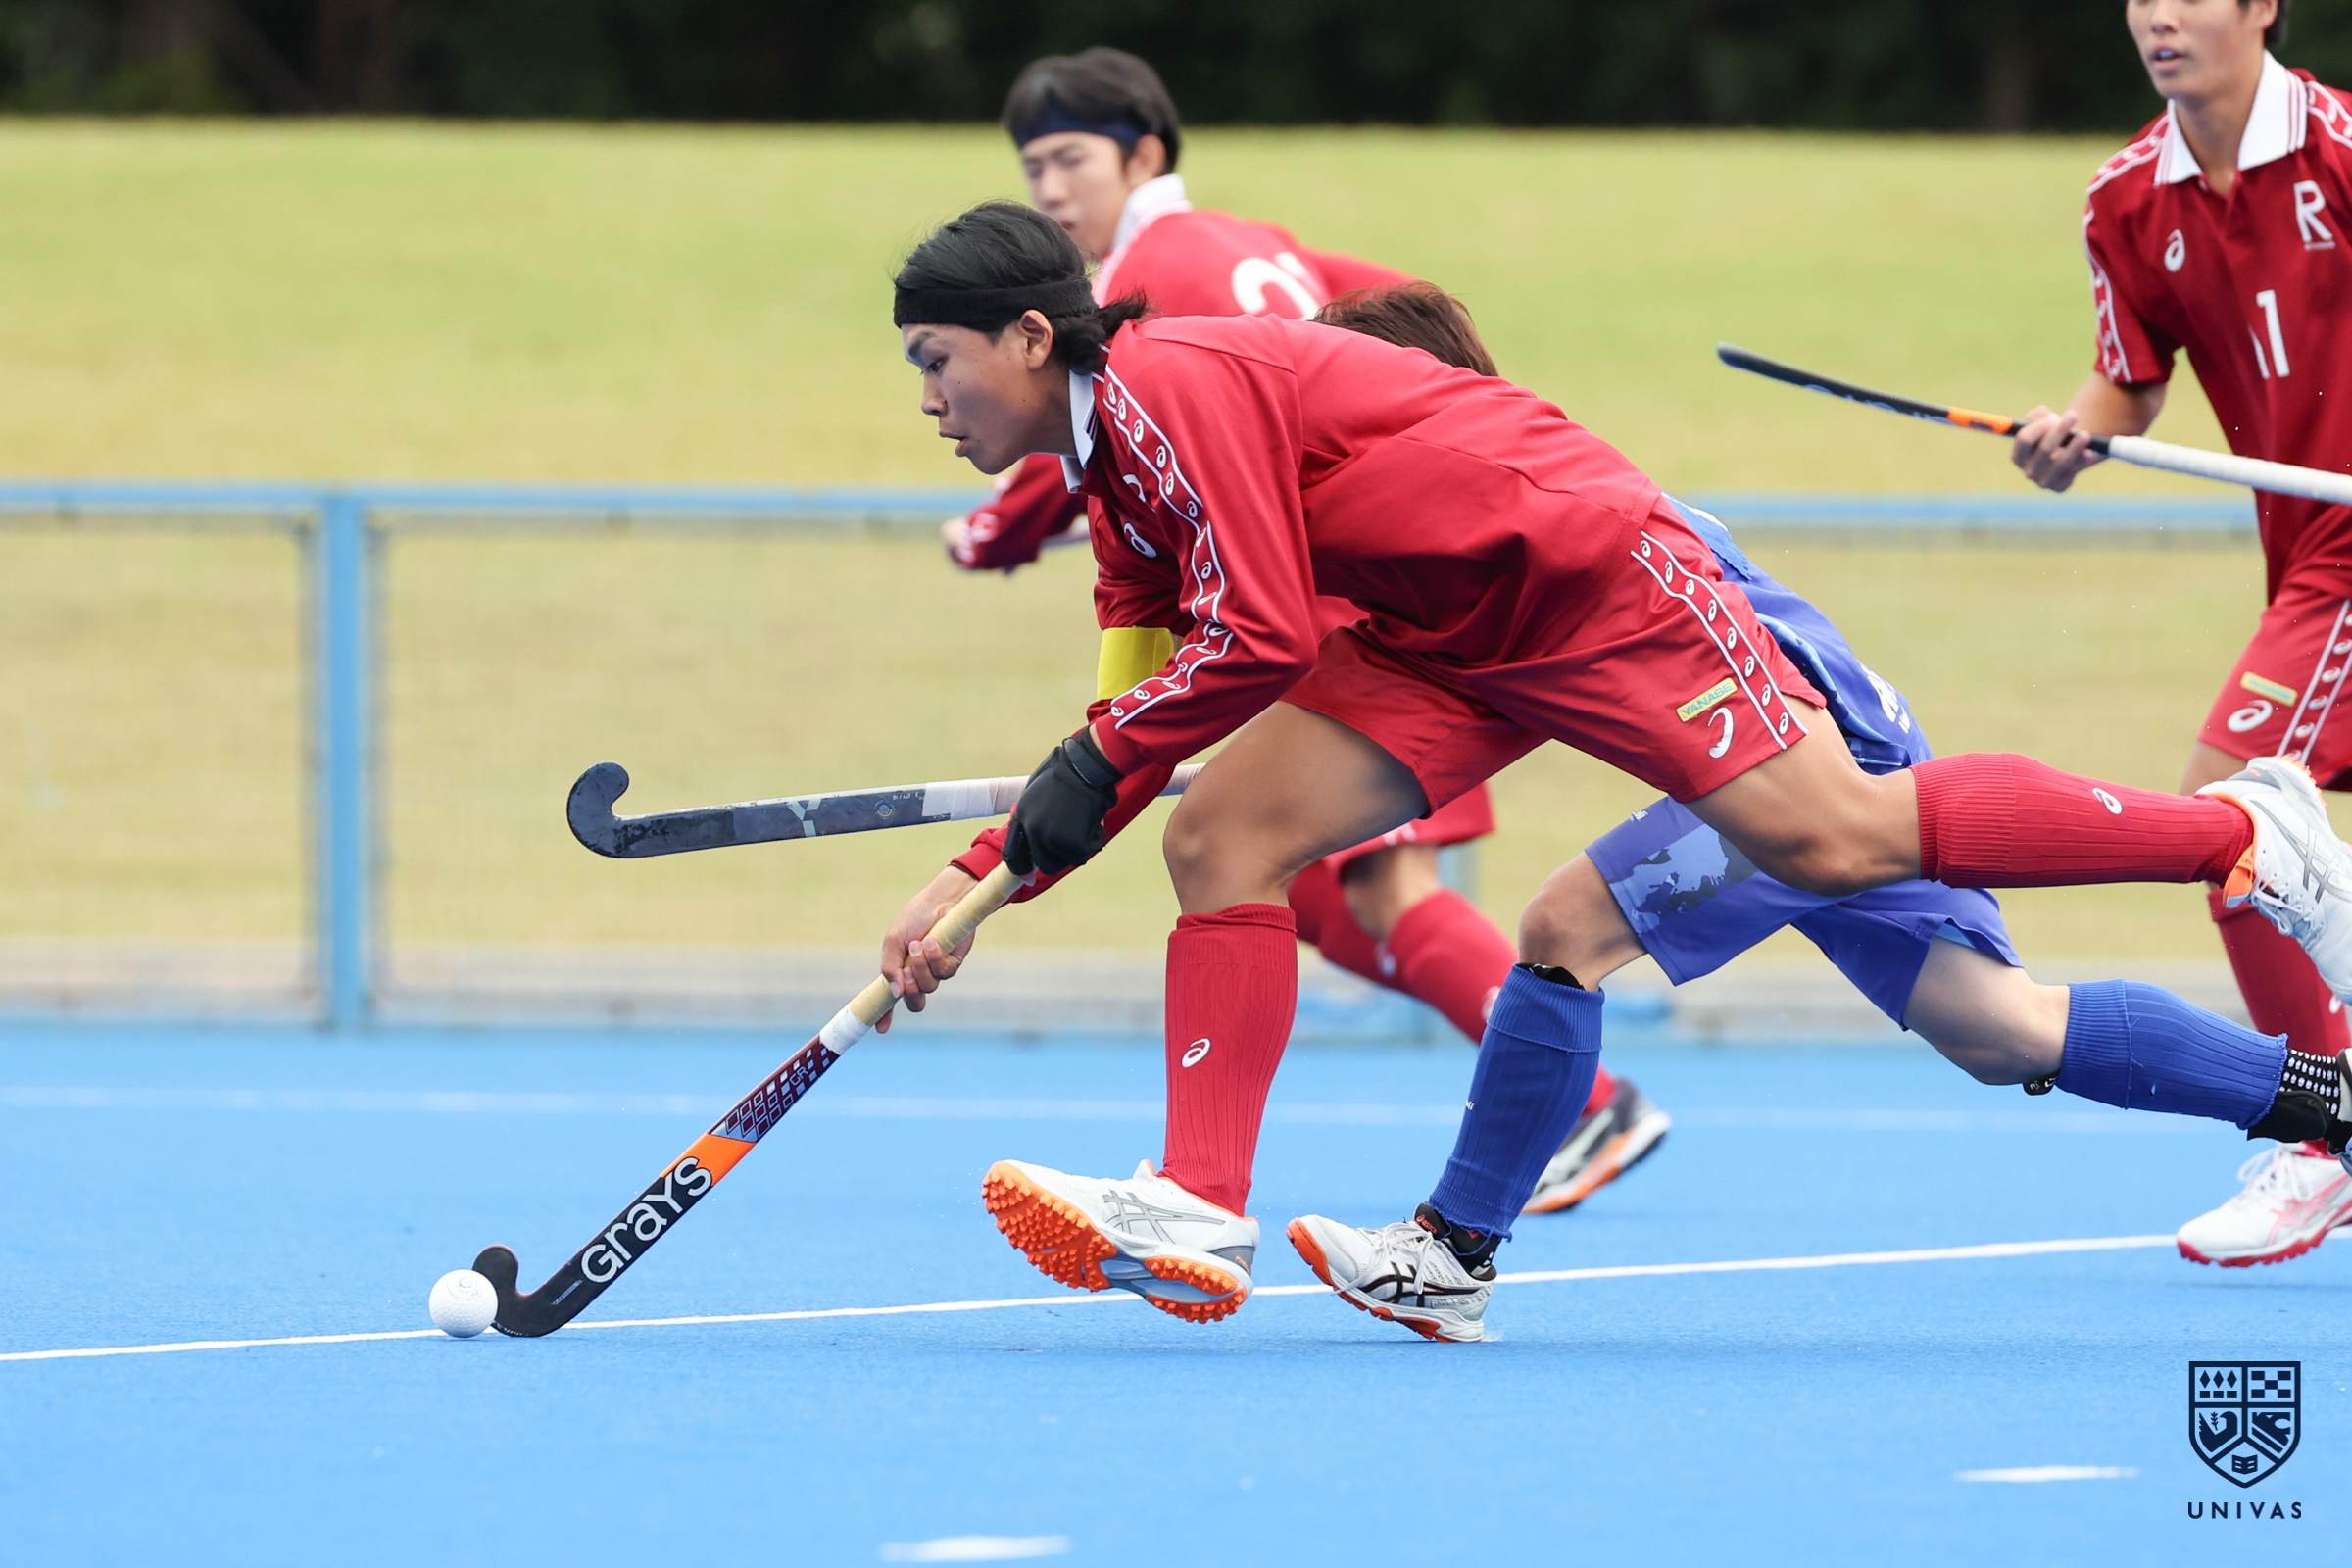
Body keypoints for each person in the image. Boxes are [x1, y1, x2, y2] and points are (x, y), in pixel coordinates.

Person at [885, 199, 2352, 1328]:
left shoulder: (1168, 382)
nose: (928, 400)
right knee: (1220, 839)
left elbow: (1244, 642)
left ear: (1031, 335)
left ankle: (2236, 829)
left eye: (935, 361)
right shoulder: (1115, 481)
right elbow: (1127, 728)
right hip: (1448, 638)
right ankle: (1206, 1204)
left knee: (1813, 848)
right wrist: (974, 885)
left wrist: (1093, 763)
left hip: (1589, 583)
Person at [934, 45, 1667, 1213]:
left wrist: (994, 531)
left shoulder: (1145, 285)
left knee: (1360, 886)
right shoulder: (1250, 242)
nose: (1051, 189)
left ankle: (1585, 1099)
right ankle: (1214, 1189)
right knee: (1298, 886)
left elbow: (1110, 430)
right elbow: (1400, 312)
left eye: (1071, 160)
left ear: (1145, 156)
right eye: (1033, 168)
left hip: (1329, 609)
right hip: (1324, 590)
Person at [2009, 0, 2352, 1265]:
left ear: (2263, 7)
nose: (2161, 15)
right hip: (2302, 557)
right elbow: (2132, 374)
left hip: (2347, 561)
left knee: (2234, 821)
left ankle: (2326, 1136)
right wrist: (2076, 435)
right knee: (2248, 837)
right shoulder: (2124, 200)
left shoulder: (2342, 154)